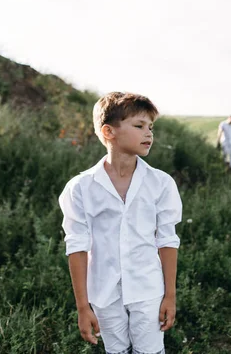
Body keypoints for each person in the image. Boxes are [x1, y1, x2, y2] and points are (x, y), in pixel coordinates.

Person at [59, 92, 181, 354]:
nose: (148, 133)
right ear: (109, 131)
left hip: (148, 288)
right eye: (139, 126)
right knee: (115, 351)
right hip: (103, 292)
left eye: (150, 127)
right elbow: (77, 246)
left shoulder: (161, 183)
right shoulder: (80, 188)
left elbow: (167, 240)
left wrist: (169, 295)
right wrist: (83, 307)